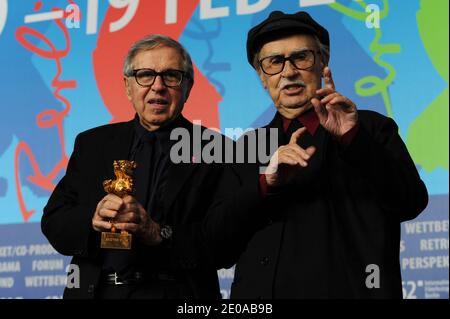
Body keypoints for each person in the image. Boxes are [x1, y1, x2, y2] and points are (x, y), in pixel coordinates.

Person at [225, 10, 428, 298]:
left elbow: (411, 202)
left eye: (301, 57)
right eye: (274, 62)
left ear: (323, 62)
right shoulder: (245, 148)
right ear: (261, 75)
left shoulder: (369, 128)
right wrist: (264, 186)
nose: (289, 71)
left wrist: (352, 139)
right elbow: (219, 245)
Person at [41, 34, 226, 299]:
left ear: (188, 87)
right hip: (96, 292)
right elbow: (54, 220)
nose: (158, 86)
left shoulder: (215, 149)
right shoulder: (92, 144)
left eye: (171, 75)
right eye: (145, 75)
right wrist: (93, 220)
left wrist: (157, 232)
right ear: (128, 87)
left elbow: (223, 242)